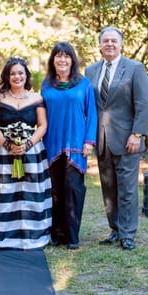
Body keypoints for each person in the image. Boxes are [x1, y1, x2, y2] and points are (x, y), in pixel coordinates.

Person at [85, 26, 148, 250]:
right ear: (100, 45)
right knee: (108, 189)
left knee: (128, 190)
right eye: (106, 41)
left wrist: (137, 134)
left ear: (121, 44)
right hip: (102, 140)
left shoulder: (134, 68)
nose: (110, 44)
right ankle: (115, 229)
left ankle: (128, 234)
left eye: (114, 41)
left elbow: (143, 104)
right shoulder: (91, 70)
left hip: (128, 140)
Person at [0, 57, 52, 249]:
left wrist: (27, 144)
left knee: (28, 194)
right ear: (7, 76)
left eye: (20, 73)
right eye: (12, 73)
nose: (17, 76)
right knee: (4, 193)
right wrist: (6, 143)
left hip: (31, 153)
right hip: (3, 154)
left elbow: (43, 125)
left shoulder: (36, 98)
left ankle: (31, 235)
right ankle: (0, 236)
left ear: (26, 75)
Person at [41, 42, 97, 250]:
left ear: (72, 60)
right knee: (54, 190)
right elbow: (42, 114)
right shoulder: (46, 85)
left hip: (76, 145)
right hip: (52, 144)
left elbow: (92, 114)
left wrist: (88, 142)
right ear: (53, 60)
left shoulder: (83, 84)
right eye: (58, 56)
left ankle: (72, 236)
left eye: (67, 56)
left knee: (73, 189)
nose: (62, 59)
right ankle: (57, 234)